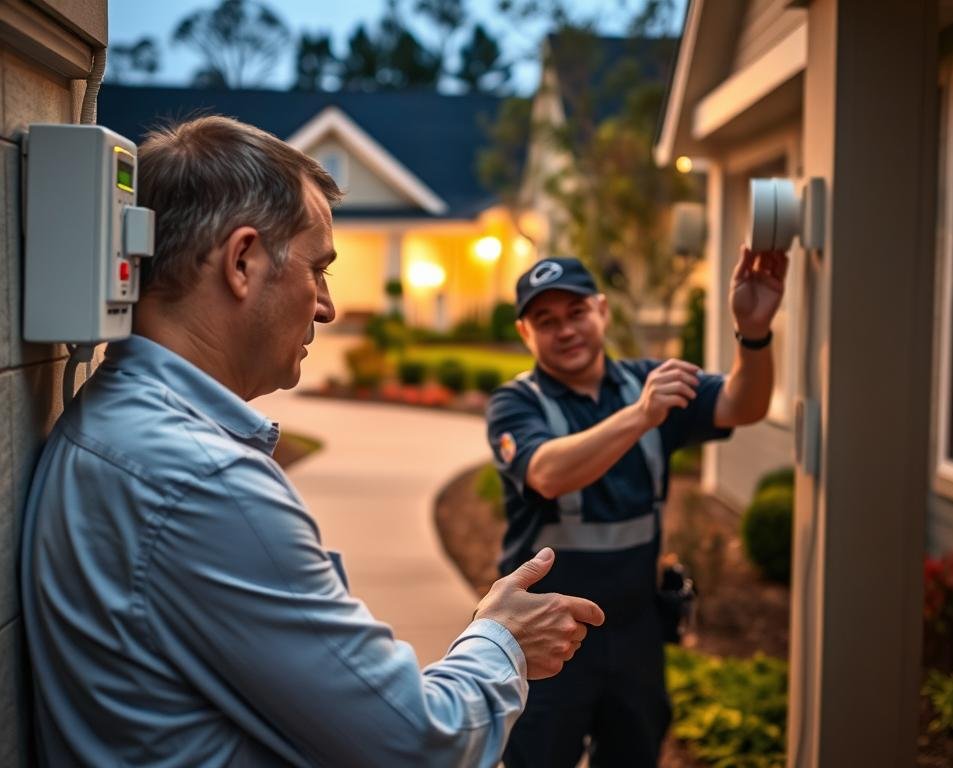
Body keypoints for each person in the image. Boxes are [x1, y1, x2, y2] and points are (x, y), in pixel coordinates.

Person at [19, 116, 605, 768]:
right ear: (242, 262)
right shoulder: (203, 483)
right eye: (318, 268)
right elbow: (420, 743)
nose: (326, 305)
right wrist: (504, 640)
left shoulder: (109, 422)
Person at [486, 253, 787, 767]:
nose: (565, 330)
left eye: (576, 312)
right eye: (546, 321)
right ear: (524, 333)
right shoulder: (517, 404)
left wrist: (753, 332)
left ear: (602, 310)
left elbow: (744, 404)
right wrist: (641, 416)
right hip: (544, 637)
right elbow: (547, 473)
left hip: (634, 633)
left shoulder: (648, 384)